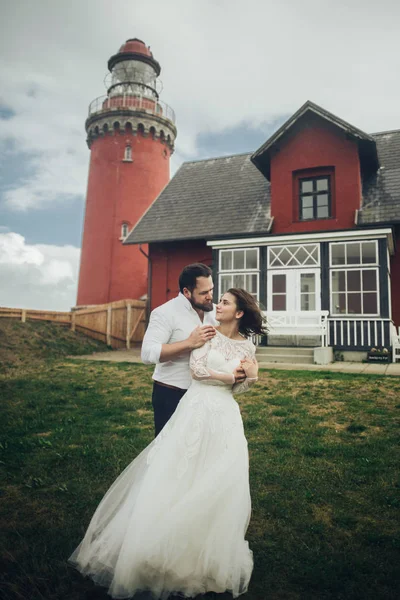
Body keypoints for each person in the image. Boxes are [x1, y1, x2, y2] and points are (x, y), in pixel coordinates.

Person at [69, 288, 267, 599]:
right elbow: (197, 371)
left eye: (225, 302)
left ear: (239, 313)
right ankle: (158, 545)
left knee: (221, 477)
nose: (218, 305)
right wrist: (233, 378)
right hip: (196, 410)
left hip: (225, 417)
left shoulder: (248, 345)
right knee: (180, 472)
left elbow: (239, 391)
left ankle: (204, 548)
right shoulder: (206, 332)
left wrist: (250, 379)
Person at [141, 263, 245, 436]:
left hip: (205, 394)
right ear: (186, 292)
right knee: (169, 452)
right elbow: (147, 354)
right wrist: (189, 343)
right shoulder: (165, 313)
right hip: (171, 394)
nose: (210, 297)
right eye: (204, 293)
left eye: (211, 290)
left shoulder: (213, 313)